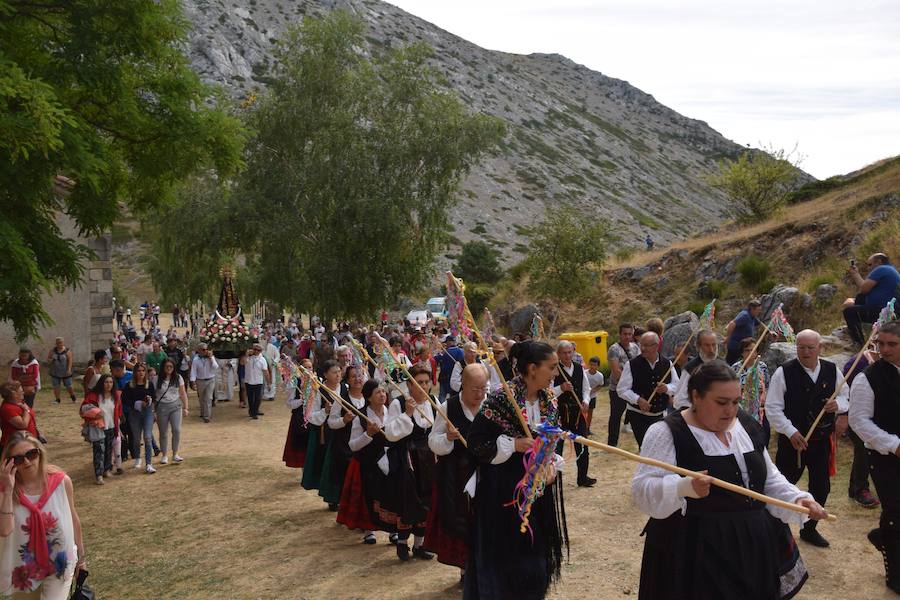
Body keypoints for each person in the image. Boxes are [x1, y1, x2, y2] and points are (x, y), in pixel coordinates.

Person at [632, 361, 825, 600]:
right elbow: (642, 491)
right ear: (696, 396)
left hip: (752, 546)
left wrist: (798, 499)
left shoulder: (745, 425)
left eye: (735, 402)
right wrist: (683, 487)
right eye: (721, 403)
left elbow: (769, 480)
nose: (730, 410)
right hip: (695, 550)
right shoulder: (666, 432)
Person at [465, 340, 568, 599]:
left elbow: (552, 442)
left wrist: (552, 465)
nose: (556, 374)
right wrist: (513, 444)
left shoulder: (550, 401)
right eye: (552, 367)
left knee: (535, 558)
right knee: (506, 558)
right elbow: (476, 444)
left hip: (538, 492)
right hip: (504, 495)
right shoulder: (501, 399)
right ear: (532, 369)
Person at [766, 329, 847, 548]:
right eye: (801, 347)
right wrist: (790, 431)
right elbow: (773, 408)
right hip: (792, 442)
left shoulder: (832, 370)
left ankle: (809, 529)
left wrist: (837, 405)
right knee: (784, 485)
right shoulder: (784, 372)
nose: (806, 352)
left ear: (820, 348)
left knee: (821, 487)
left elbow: (846, 397)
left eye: (811, 347)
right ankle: (774, 530)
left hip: (821, 442)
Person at [0, 432, 85, 598]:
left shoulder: (62, 482)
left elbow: (73, 520)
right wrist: (8, 489)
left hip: (60, 563)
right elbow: (4, 530)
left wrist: (81, 559)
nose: (26, 462)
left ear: (40, 453)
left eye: (31, 454)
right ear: (9, 462)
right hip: (23, 568)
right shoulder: (5, 491)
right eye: (18, 459)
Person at [848, 321, 900, 592]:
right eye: (881, 344)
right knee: (896, 512)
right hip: (884, 456)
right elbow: (859, 421)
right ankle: (896, 576)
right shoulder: (866, 378)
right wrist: (893, 444)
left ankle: (883, 536)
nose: (885, 349)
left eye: (892, 344)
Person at [425, 363, 487, 576]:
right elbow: (433, 441)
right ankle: (465, 569)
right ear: (463, 385)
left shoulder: (489, 407)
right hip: (455, 475)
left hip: (484, 474)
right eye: (475, 389)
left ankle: (482, 564)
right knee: (460, 520)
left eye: (483, 389)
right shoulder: (448, 407)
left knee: (483, 520)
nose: (480, 394)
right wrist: (448, 438)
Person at [376, 364, 437, 561]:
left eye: (427, 382)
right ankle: (402, 543)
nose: (424, 386)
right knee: (408, 500)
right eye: (419, 383)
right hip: (407, 460)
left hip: (429, 461)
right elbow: (391, 434)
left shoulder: (434, 402)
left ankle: (420, 545)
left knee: (426, 500)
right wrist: (408, 414)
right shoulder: (399, 403)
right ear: (410, 385)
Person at [341, 379, 389, 545]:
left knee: (390, 495)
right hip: (369, 463)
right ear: (368, 397)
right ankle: (369, 530)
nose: (382, 395)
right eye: (378, 392)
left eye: (383, 391)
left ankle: (393, 530)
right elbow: (353, 445)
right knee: (370, 495)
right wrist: (368, 434)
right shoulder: (360, 416)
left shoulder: (391, 411)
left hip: (389, 460)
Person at [617, 332, 679, 448]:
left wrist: (666, 388)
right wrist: (638, 400)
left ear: (656, 346)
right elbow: (621, 389)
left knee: (660, 448)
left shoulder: (667, 363)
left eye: (646, 345)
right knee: (646, 448)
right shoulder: (631, 364)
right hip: (638, 416)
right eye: (641, 345)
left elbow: (676, 386)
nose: (643, 348)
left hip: (660, 415)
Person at [319, 366, 367, 511]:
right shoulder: (341, 401)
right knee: (345, 475)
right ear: (348, 380)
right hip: (344, 445)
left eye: (360, 376)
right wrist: (344, 420)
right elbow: (331, 423)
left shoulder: (369, 398)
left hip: (364, 444)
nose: (358, 379)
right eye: (353, 376)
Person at [552, 341, 596, 487]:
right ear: (558, 354)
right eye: (564, 352)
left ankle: (582, 477)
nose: (567, 355)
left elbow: (586, 389)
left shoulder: (579, 368)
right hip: (560, 414)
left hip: (577, 415)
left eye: (570, 352)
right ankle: (554, 479)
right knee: (556, 448)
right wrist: (561, 388)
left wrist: (585, 401)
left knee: (583, 445)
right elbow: (547, 392)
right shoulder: (554, 370)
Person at [301, 360, 345, 492]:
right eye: (334, 372)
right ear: (325, 374)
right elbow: (309, 416)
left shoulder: (345, 388)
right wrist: (324, 411)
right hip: (325, 432)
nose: (338, 375)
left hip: (343, 430)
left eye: (339, 371)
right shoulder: (319, 391)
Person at [843, 253, 900, 347]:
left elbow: (864, 289)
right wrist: (855, 274)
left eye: (870, 265)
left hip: (883, 311)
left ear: (879, 262)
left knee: (849, 312)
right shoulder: (891, 270)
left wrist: (855, 274)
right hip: (890, 310)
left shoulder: (881, 269)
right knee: (859, 299)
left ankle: (859, 343)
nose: (869, 268)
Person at [80, 375, 122, 484]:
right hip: (98, 427)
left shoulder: (116, 396)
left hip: (111, 426)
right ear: (101, 383)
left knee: (108, 450)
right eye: (106, 382)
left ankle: (106, 470)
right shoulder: (94, 396)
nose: (109, 384)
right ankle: (98, 475)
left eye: (111, 382)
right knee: (99, 451)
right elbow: (83, 409)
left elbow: (118, 411)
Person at [730, 337, 771, 440]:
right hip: (741, 411)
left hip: (759, 410)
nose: (750, 353)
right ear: (742, 353)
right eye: (747, 350)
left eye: (753, 350)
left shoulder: (762, 367)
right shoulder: (735, 368)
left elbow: (767, 385)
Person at [607, 324, 640, 447]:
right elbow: (616, 371)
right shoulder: (614, 349)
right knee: (616, 416)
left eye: (629, 334)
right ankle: (612, 443)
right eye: (625, 334)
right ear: (620, 334)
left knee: (636, 415)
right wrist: (630, 383)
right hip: (617, 389)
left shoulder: (635, 348)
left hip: (633, 388)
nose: (627, 336)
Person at [121, 363, 157, 474]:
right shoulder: (129, 385)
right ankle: (137, 457)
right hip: (134, 413)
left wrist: (150, 402)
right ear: (135, 372)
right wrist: (136, 403)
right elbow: (125, 400)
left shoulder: (149, 384)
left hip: (147, 413)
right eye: (138, 370)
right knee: (136, 438)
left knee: (147, 437)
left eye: (143, 370)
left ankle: (149, 463)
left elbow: (154, 398)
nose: (140, 373)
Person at [673, 329, 718, 410]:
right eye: (707, 345)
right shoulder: (691, 368)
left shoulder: (723, 364)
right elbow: (679, 400)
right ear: (698, 347)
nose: (711, 350)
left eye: (714, 345)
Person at [155, 359, 188, 466]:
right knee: (163, 432)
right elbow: (153, 395)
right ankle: (164, 455)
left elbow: (183, 393)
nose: (169, 368)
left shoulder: (178, 378)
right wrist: (153, 410)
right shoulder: (156, 379)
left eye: (171, 367)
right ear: (163, 367)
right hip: (162, 408)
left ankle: (175, 453)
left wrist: (186, 407)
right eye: (167, 366)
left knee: (177, 430)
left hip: (176, 406)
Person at [283, 358, 313, 474]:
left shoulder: (317, 382)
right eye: (305, 367)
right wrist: (302, 400)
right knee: (301, 446)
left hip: (313, 417)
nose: (308, 370)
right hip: (299, 419)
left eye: (310, 367)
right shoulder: (294, 384)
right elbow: (289, 404)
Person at [0, 382, 38, 450]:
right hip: (15, 446)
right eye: (21, 391)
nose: (23, 392)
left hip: (27, 442)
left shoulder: (20, 403)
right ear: (14, 394)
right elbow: (23, 424)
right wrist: (26, 410)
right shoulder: (7, 408)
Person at [724, 300, 763, 364]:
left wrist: (769, 332)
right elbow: (732, 324)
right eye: (758, 310)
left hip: (744, 347)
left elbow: (760, 324)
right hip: (735, 346)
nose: (759, 312)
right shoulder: (745, 316)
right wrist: (728, 337)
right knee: (730, 364)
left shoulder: (752, 316)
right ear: (752, 309)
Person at [189, 343, 219, 423]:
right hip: (200, 381)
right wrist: (193, 382)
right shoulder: (196, 360)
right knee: (201, 398)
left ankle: (207, 416)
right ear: (199, 350)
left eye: (206, 349)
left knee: (209, 398)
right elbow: (193, 371)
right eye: (203, 349)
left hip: (210, 380)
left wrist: (211, 358)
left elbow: (216, 367)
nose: (205, 351)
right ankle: (203, 412)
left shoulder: (211, 357)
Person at [243, 344, 270, 420]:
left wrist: (268, 383)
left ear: (261, 351)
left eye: (258, 350)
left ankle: (255, 411)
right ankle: (253, 412)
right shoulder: (248, 357)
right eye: (255, 349)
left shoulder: (262, 359)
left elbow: (266, 371)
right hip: (248, 381)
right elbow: (243, 362)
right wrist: (247, 354)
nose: (256, 351)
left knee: (258, 398)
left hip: (258, 381)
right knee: (250, 398)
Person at [46, 338, 76, 404]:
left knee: (69, 386)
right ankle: (57, 399)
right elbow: (48, 360)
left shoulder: (67, 351)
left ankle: (73, 396)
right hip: (55, 371)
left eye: (61, 342)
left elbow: (70, 361)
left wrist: (69, 369)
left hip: (65, 371)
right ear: (56, 343)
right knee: (56, 386)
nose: (59, 344)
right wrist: (51, 359)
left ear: (63, 343)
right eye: (58, 343)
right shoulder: (52, 351)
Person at [435, 336, 464, 403]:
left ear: (448, 342)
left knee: (442, 397)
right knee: (453, 399)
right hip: (456, 378)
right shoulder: (461, 351)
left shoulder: (445, 352)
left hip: (445, 378)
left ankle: (440, 410)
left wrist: (440, 352)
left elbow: (436, 359)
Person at [585, 356, 604, 436]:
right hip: (584, 396)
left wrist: (593, 391)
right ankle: (581, 428)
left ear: (598, 366)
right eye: (591, 364)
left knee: (590, 413)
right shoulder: (584, 373)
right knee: (583, 413)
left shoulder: (600, 376)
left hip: (592, 397)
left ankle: (588, 429)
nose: (592, 366)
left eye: (594, 365)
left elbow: (600, 385)